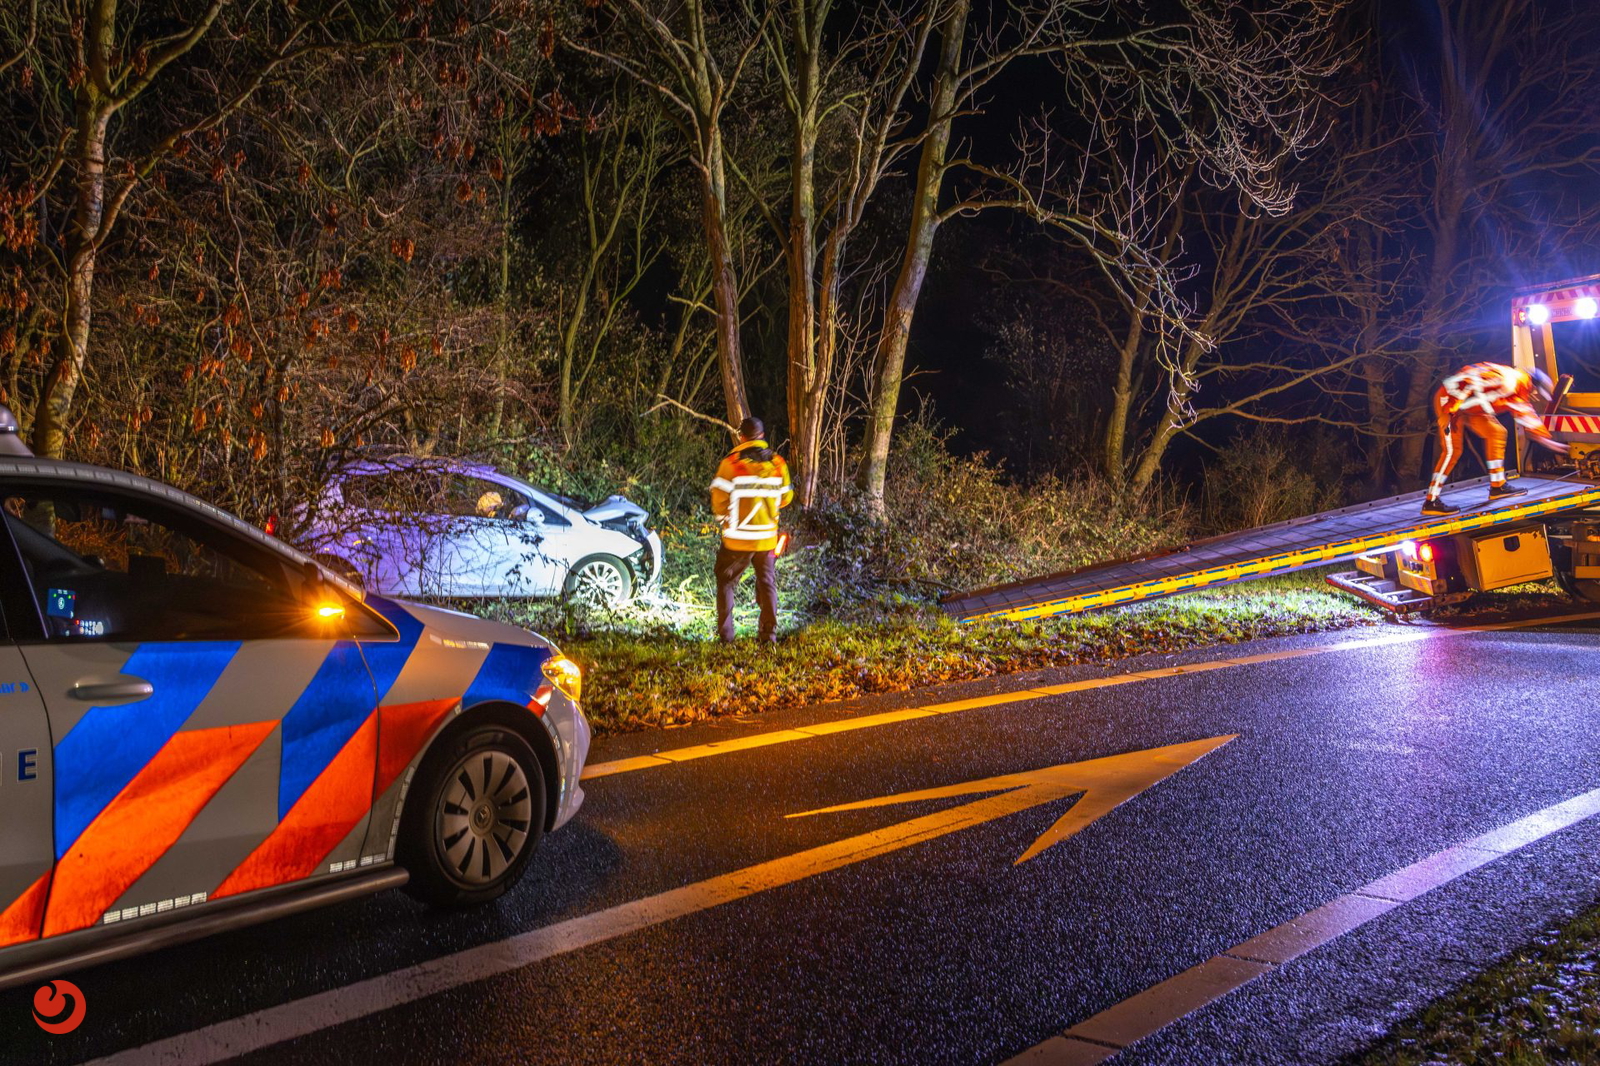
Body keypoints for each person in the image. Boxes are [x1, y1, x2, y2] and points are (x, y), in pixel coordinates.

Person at [1422, 362, 1568, 516]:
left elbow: (1526, 414)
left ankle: (1498, 486)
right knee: (1452, 451)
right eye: (1537, 392)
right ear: (1532, 384)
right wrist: (1449, 411)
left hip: (1469, 409)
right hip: (1449, 401)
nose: (1535, 396)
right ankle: (1431, 501)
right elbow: (1469, 379)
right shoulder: (1507, 380)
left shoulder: (1518, 391)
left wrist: (1548, 441)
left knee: (1496, 432)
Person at [710, 417, 793, 643]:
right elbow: (786, 498)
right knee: (767, 583)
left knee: (726, 582)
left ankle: (726, 637)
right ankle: (768, 636)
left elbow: (718, 500)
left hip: (736, 541)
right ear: (762, 435)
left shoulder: (731, 464)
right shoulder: (778, 464)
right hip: (766, 540)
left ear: (741, 437)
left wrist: (724, 517)